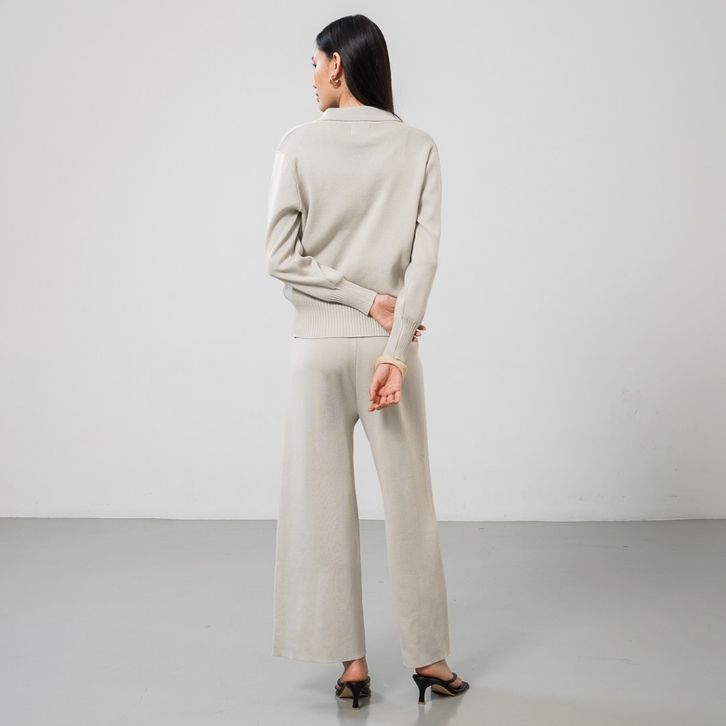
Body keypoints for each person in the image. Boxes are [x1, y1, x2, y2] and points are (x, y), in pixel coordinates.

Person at [265, 14, 469, 707]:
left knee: (322, 510)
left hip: (317, 352)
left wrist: (355, 299)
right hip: (389, 354)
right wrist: (395, 339)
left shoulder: (297, 145)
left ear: (338, 65)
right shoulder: (419, 147)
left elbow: (280, 258)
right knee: (412, 506)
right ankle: (430, 660)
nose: (311, 77)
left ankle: (352, 667)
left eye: (314, 63)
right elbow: (424, 261)